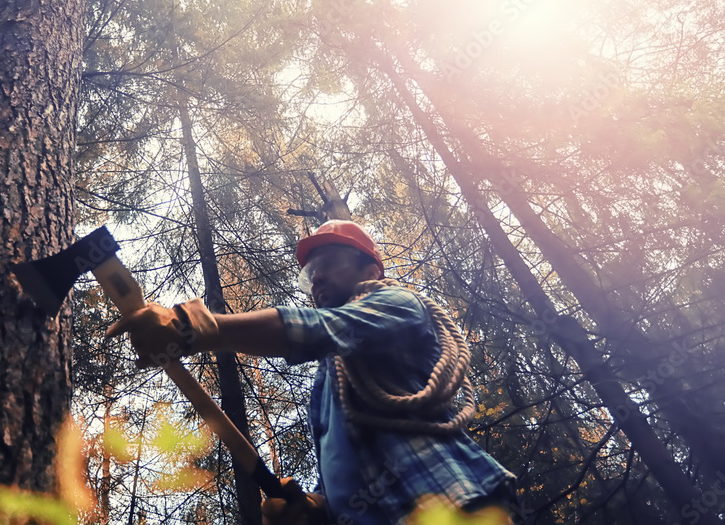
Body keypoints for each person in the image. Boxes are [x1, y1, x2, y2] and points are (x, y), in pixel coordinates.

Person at [107, 220, 517, 524]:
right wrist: (317, 506)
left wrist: (193, 326)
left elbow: (325, 329)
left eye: (332, 262)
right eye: (310, 272)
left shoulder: (399, 303)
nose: (316, 275)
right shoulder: (330, 378)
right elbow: (349, 462)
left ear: (370, 271)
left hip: (454, 504)